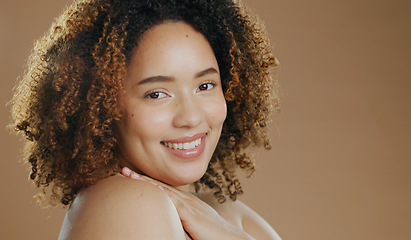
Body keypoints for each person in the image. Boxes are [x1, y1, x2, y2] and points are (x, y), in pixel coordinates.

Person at [11, 0, 281, 239]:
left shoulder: (224, 214)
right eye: (156, 94)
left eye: (205, 86)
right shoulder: (128, 203)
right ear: (103, 105)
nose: (191, 116)